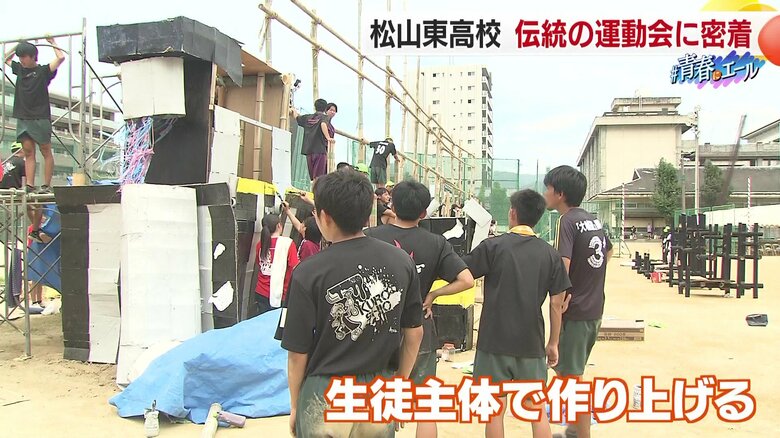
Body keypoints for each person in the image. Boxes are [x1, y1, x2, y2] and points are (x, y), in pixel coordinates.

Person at [281, 170, 423, 438]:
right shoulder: (402, 262)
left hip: (326, 393)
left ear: (324, 217)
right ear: (367, 214)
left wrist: (295, 406)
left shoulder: (307, 273)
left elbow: (297, 353)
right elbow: (414, 334)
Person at [365, 180, 474, 438]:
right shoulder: (436, 243)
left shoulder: (370, 237)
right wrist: (433, 294)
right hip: (420, 329)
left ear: (392, 205)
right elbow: (467, 280)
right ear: (424, 213)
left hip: (377, 330)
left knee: (379, 401)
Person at [464, 189, 570, 438]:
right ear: (538, 217)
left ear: (512, 213)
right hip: (531, 343)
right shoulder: (550, 254)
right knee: (536, 411)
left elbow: (463, 273)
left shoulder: (493, 247)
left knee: (494, 410)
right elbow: (557, 304)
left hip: (493, 342)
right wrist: (553, 343)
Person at [543, 165, 612, 438]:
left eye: (548, 189)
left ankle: (580, 434)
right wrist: (589, 282)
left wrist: (558, 306)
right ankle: (573, 430)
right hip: (594, 307)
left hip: (576, 312)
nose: (545, 194)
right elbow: (607, 251)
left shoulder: (567, 222)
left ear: (560, 194)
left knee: (571, 380)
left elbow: (564, 268)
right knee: (571, 375)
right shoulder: (593, 220)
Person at [4, 39, 65, 195]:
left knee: (45, 150)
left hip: (40, 117)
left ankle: (46, 185)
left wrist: (52, 42)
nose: (21, 60)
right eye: (20, 57)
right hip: (23, 117)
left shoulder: (43, 71)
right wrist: (18, 45)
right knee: (28, 152)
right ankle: (30, 185)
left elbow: (61, 58)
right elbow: (5, 58)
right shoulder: (19, 69)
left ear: (33, 57)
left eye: (24, 57)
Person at [255, 213, 300, 316]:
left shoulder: (259, 245)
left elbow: (259, 264)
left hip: (261, 291)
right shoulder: (288, 244)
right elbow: (295, 267)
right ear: (279, 225)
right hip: (280, 294)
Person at [1, 142, 45, 242]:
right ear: (22, 150)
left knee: (28, 205)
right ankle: (36, 230)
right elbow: (27, 184)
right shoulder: (23, 162)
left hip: (3, 192)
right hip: (13, 192)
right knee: (38, 204)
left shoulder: (5, 163)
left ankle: (36, 226)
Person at [292, 98, 333, 182]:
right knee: (318, 177)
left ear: (315, 107)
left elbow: (296, 117)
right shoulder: (324, 117)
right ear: (325, 109)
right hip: (319, 150)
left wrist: (293, 110)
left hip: (308, 150)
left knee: (313, 177)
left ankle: (314, 188)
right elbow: (323, 124)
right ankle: (316, 190)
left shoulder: (307, 117)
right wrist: (328, 138)